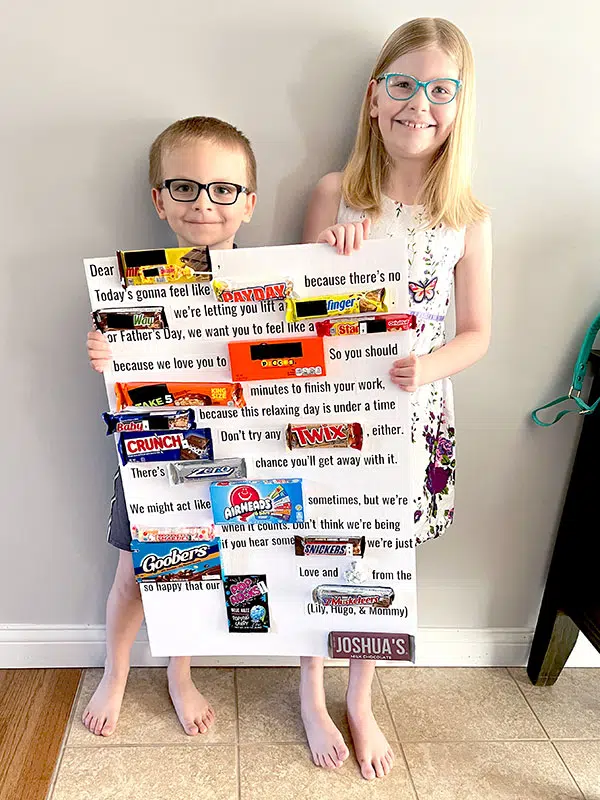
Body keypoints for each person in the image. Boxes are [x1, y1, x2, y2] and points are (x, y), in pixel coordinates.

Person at [300, 17, 492, 780]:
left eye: (441, 89)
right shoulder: (333, 195)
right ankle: (310, 688)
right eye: (404, 84)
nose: (421, 104)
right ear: (374, 97)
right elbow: (295, 312)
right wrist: (328, 254)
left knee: (383, 556)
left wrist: (429, 363)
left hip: (415, 419)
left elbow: (477, 331)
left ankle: (359, 693)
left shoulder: (467, 217)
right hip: (335, 415)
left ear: (459, 105)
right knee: (321, 548)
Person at [84, 116, 257, 737]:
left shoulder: (276, 281)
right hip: (155, 450)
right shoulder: (132, 283)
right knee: (134, 571)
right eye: (183, 188)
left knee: (196, 568)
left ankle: (180, 672)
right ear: (159, 200)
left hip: (238, 458)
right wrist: (106, 351)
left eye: (222, 189)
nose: (204, 203)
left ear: (248, 202)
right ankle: (117, 668)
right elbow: (120, 363)